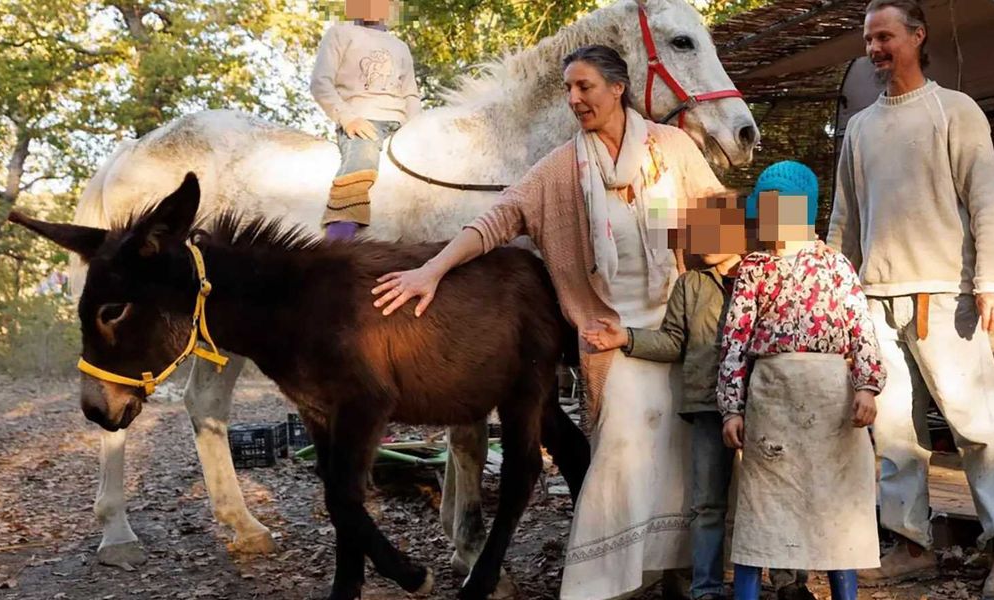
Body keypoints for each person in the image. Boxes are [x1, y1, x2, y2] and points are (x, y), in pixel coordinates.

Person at [370, 44, 725, 600]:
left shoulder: (671, 147)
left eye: (584, 86)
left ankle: (672, 569)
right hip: (609, 331)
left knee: (679, 451)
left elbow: (717, 219)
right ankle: (612, 580)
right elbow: (497, 219)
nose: (574, 99)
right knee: (623, 446)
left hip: (678, 324)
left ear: (617, 88)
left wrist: (766, 282)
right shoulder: (563, 168)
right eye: (568, 89)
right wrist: (431, 271)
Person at [827, 1, 994, 597]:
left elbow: (987, 203)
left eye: (885, 36)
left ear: (917, 36)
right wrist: (839, 294)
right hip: (875, 301)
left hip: (946, 296)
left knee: (975, 426)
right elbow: (844, 221)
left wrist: (992, 280)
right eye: (869, 40)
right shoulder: (860, 128)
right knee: (893, 432)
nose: (875, 49)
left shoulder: (954, 111)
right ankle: (912, 542)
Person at [581, 191, 813, 600]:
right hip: (708, 405)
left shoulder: (767, 275)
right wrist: (626, 338)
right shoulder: (690, 285)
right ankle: (707, 588)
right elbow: (674, 342)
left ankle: (788, 582)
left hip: (765, 402)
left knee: (775, 494)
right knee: (707, 503)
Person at [719, 160, 883, 600]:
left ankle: (843, 593)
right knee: (763, 504)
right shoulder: (754, 268)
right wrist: (731, 408)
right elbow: (735, 339)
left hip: (831, 401)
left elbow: (860, 328)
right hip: (772, 398)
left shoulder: (836, 266)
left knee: (834, 501)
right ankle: (749, 592)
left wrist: (867, 385)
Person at [310, 0, 422, 239]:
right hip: (363, 122)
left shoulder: (399, 46)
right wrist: (348, 118)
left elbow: (410, 93)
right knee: (362, 161)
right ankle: (337, 241)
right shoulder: (340, 34)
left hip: (400, 125)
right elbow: (321, 83)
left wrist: (415, 129)